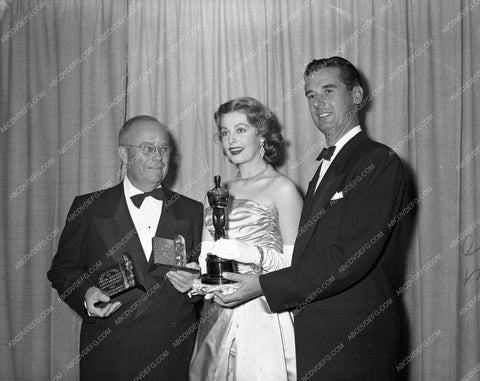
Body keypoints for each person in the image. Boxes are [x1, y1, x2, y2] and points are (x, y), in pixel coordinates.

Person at [214, 57, 414, 380]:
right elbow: (308, 257)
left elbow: (348, 258)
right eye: (310, 95)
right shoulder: (324, 168)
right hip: (318, 341)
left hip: (356, 344)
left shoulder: (378, 161)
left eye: (328, 90)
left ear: (358, 96)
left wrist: (262, 285)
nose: (318, 102)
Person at [48, 115, 203, 381]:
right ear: (124, 154)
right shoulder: (89, 208)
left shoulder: (192, 210)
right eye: (148, 148)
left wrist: (195, 285)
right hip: (110, 353)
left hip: (170, 355)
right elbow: (62, 269)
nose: (159, 156)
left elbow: (203, 280)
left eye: (164, 148)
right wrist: (85, 294)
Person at [188, 97, 303, 381]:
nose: (231, 140)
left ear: (262, 134)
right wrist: (193, 277)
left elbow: (296, 267)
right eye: (225, 132)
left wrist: (249, 254)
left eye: (241, 130)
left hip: (262, 313)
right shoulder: (217, 191)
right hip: (217, 314)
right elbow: (207, 259)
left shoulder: (283, 188)